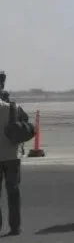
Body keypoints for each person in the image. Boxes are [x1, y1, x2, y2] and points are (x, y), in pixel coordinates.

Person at [0, 95, 25, 235]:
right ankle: (15, 227)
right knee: (13, 192)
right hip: (12, 156)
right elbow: (24, 125)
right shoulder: (13, 108)